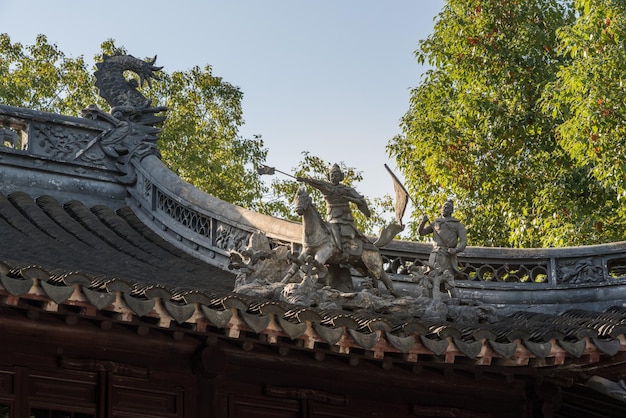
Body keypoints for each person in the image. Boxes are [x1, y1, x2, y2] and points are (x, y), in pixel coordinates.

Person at [297, 164, 370, 257]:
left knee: (345, 231)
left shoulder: (346, 190)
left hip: (345, 218)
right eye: (332, 175)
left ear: (340, 177)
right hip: (331, 217)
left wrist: (352, 199)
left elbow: (361, 200)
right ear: (329, 177)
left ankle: (346, 252)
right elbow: (316, 183)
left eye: (336, 175)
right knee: (328, 231)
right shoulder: (326, 187)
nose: (334, 178)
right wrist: (305, 180)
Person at [418, 200, 467, 275]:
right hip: (435, 254)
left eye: (447, 208)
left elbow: (464, 242)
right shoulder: (436, 223)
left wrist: (455, 250)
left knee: (446, 277)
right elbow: (421, 233)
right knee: (431, 275)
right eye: (443, 207)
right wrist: (423, 222)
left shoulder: (457, 225)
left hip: (447, 255)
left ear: (451, 210)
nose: (444, 209)